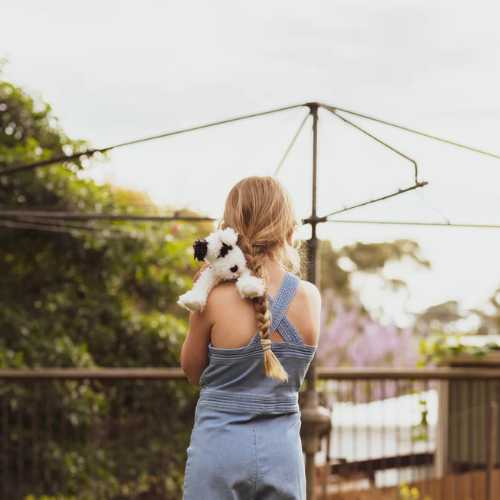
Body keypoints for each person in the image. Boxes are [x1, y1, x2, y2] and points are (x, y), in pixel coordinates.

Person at [180, 176, 322, 500]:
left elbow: (192, 372)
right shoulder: (310, 298)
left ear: (227, 229)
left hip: (219, 448)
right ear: (290, 231)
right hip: (283, 453)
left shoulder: (212, 298)